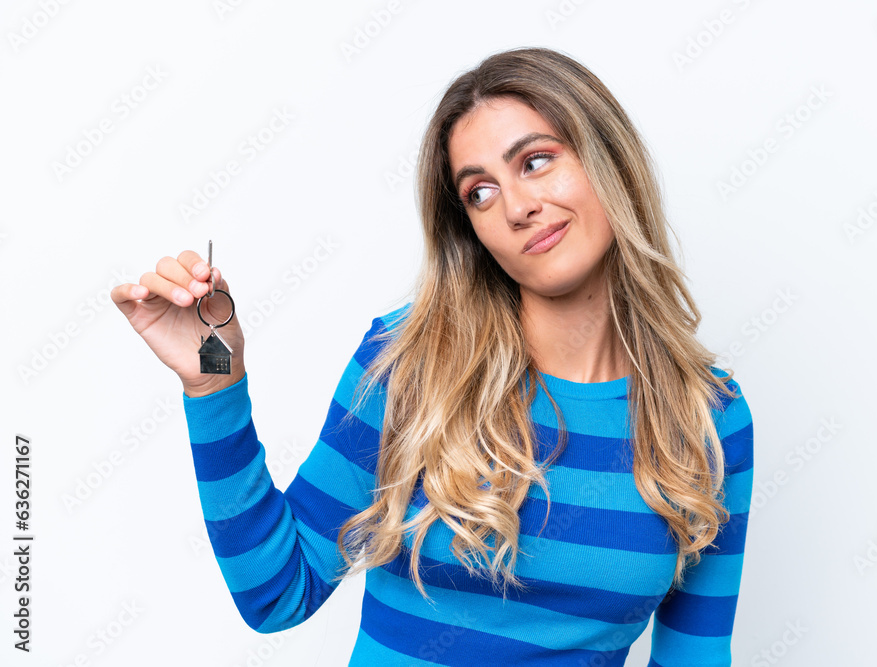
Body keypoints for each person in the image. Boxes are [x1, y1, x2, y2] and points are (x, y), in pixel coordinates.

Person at [112, 46, 753, 666]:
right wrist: (213, 381)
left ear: (607, 158)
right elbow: (277, 592)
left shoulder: (711, 419)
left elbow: (696, 655)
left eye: (535, 161)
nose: (520, 207)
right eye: (480, 192)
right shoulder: (411, 365)